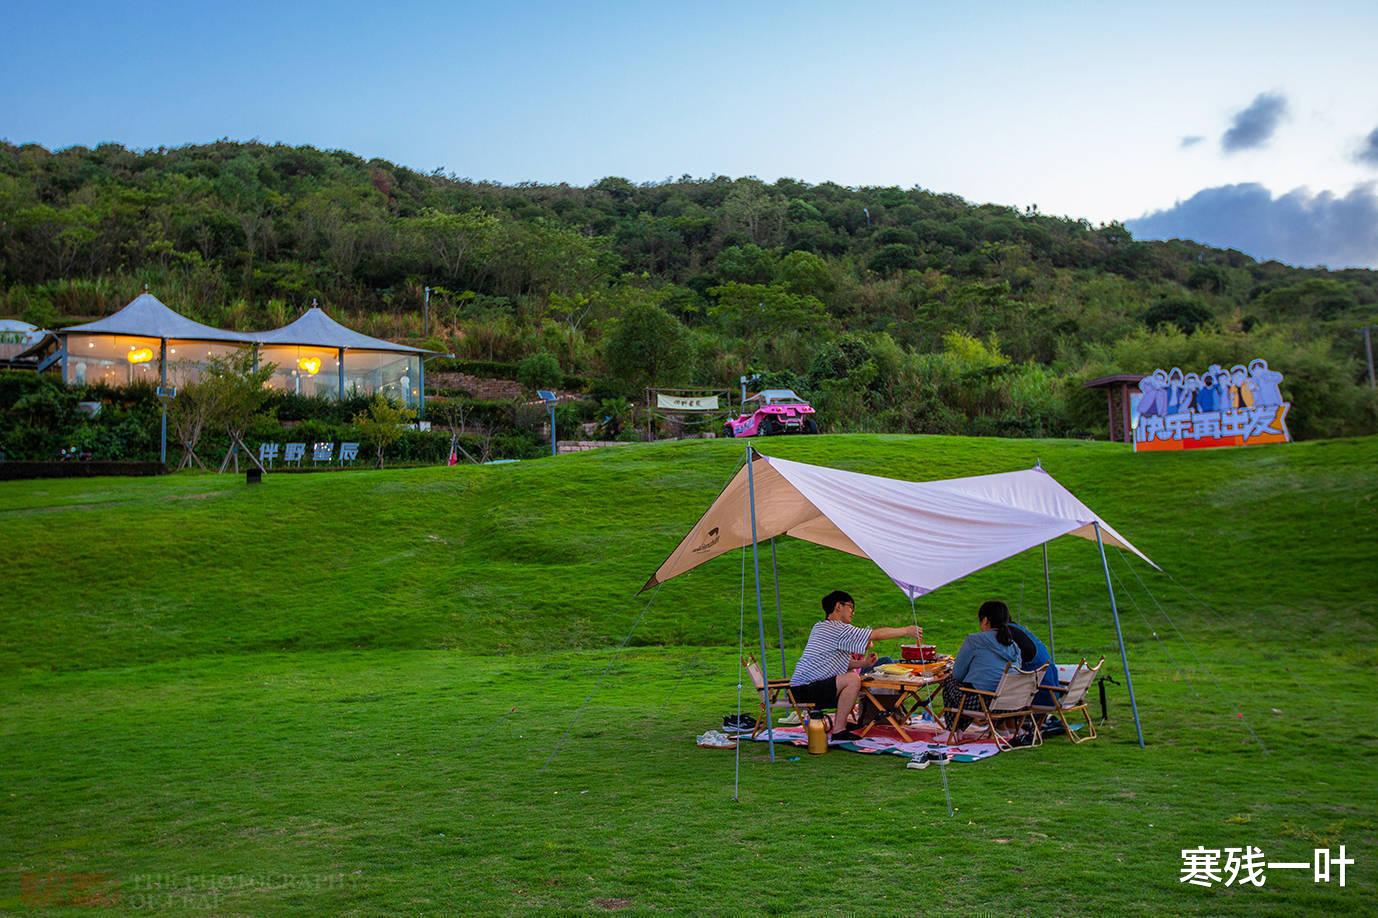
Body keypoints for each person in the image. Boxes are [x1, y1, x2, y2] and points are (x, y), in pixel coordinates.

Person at [789, 590, 922, 740]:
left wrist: (863, 663)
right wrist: (906, 630)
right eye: (850, 607)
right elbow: (875, 634)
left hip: (804, 687)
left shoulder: (820, 626)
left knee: (853, 676)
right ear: (838, 606)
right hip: (805, 689)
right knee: (853, 679)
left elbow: (834, 661)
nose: (853, 612)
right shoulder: (836, 628)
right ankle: (839, 730)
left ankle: (844, 724)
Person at [941, 600, 1020, 728]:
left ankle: (954, 732)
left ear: (985, 620)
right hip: (1011, 704)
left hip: (982, 704)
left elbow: (957, 674)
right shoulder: (1014, 646)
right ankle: (1000, 729)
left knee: (950, 681)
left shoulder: (974, 640)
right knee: (968, 689)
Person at [1008, 619, 1059, 707]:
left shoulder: (1009, 634)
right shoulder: (1023, 631)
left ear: (985, 621)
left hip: (1040, 695)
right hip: (1054, 692)